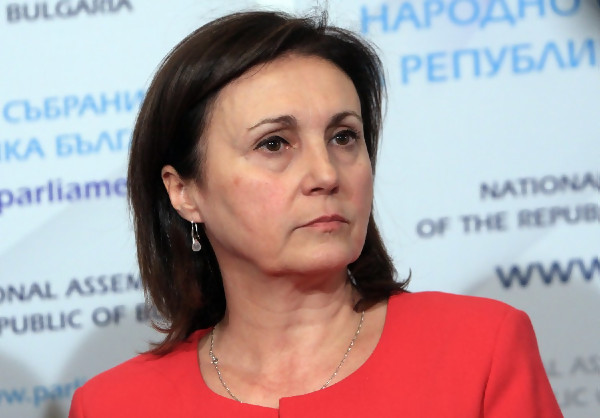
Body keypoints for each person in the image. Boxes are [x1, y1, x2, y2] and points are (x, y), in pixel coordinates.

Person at [69, 10, 562, 417]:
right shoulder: (114, 405)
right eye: (274, 144)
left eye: (343, 137)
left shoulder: (479, 350)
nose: (326, 173)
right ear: (184, 192)